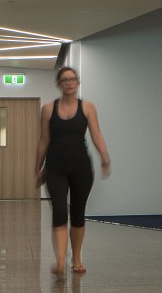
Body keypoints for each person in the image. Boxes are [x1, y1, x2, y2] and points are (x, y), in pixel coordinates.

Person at [37, 65, 111, 278]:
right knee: (60, 211)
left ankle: (76, 259)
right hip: (55, 168)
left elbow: (96, 134)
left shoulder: (87, 107)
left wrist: (105, 157)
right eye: (64, 80)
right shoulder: (48, 109)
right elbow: (44, 140)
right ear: (59, 84)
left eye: (72, 79)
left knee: (78, 214)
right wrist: (38, 165)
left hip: (81, 168)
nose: (69, 83)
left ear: (77, 83)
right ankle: (60, 261)